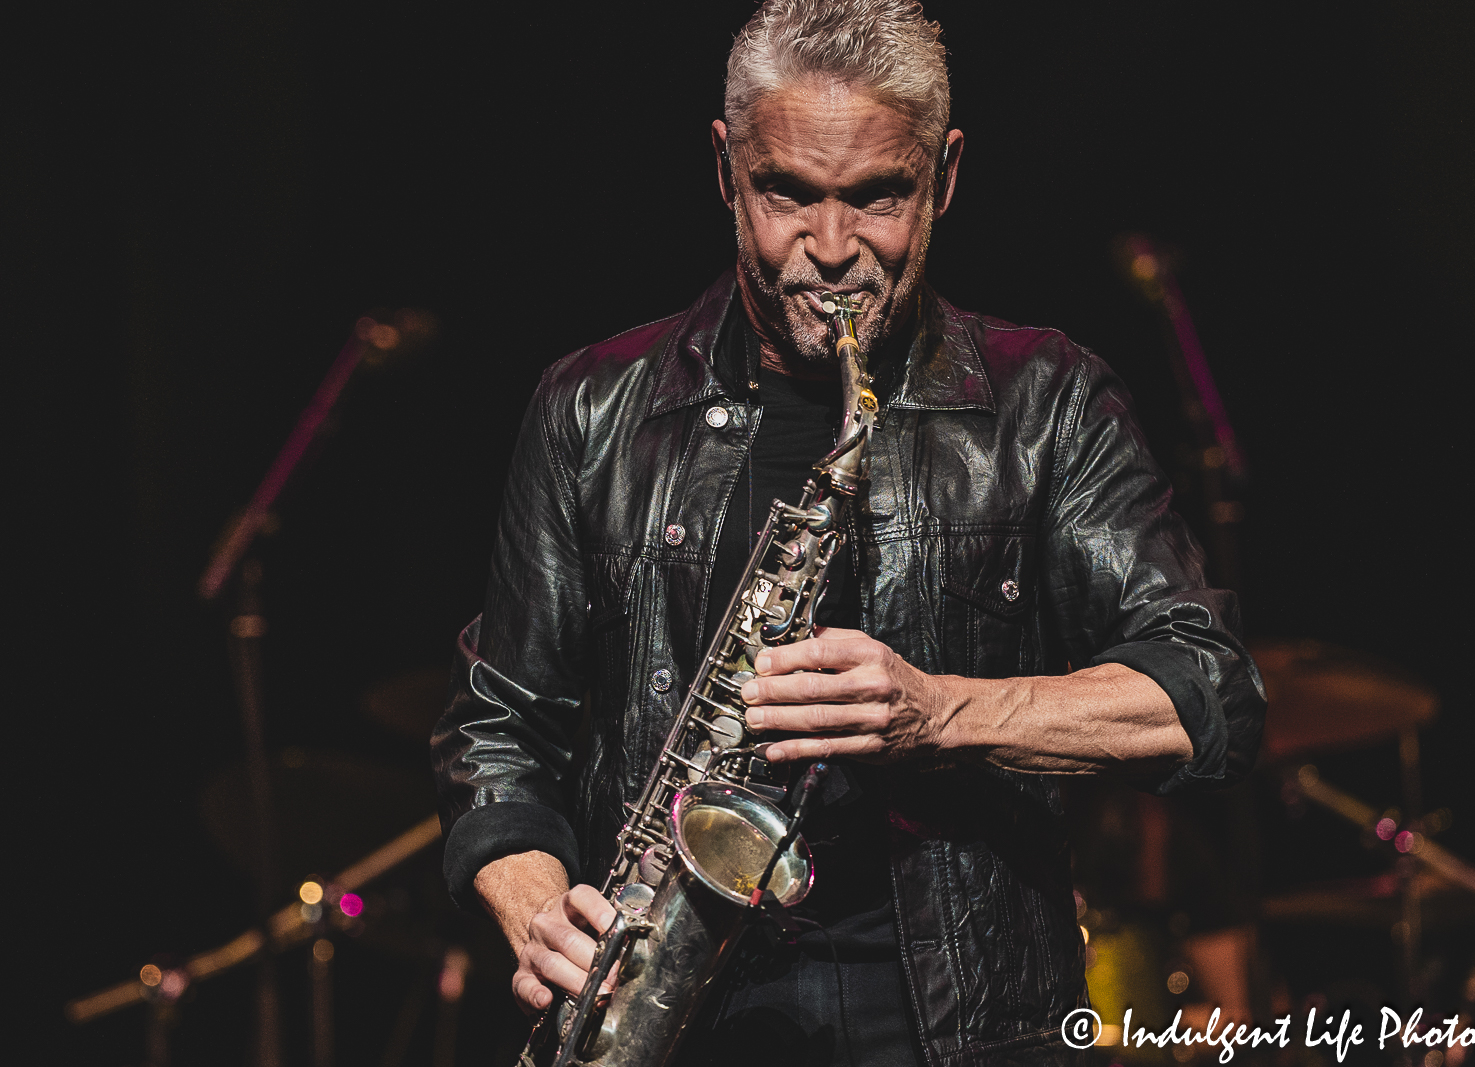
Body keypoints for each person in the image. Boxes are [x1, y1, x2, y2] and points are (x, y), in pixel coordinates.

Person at [432, 2, 1265, 1064]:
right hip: (674, 1021)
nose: (829, 252)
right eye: (788, 194)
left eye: (879, 197)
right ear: (726, 167)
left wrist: (938, 709)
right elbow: (497, 728)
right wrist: (540, 907)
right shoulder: (590, 407)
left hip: (968, 1032)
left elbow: (1208, 693)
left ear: (945, 174)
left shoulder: (1047, 402)